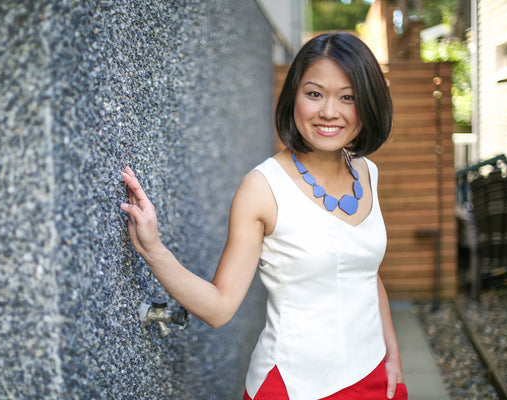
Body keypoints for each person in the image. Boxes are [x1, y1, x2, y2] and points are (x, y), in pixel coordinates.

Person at [120, 32, 408, 400]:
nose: (329, 112)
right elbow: (220, 307)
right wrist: (154, 250)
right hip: (295, 386)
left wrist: (393, 352)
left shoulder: (367, 172)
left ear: (366, 103)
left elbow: (366, 272)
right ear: (293, 98)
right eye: (314, 93)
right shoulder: (262, 189)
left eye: (347, 97)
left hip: (377, 376)